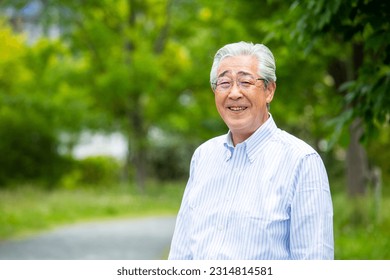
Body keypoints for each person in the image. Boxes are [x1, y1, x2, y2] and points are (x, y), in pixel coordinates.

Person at [168, 41, 334, 260]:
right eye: (224, 83)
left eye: (245, 81)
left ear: (269, 90)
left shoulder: (301, 161)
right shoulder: (203, 156)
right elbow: (180, 256)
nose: (234, 93)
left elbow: (313, 263)